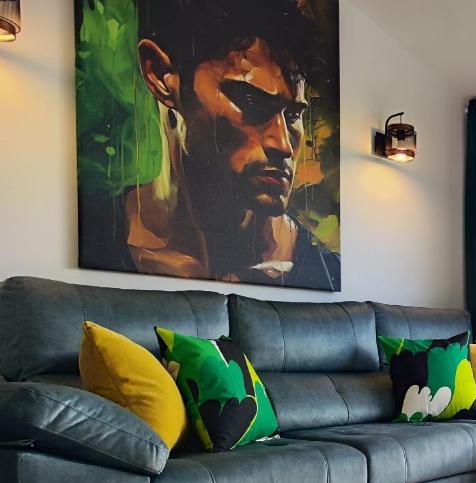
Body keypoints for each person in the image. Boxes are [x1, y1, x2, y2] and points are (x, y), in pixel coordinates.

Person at [78, 0, 340, 291]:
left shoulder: (327, 273)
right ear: (161, 77)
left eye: (293, 115)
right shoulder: (97, 236)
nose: (283, 145)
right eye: (251, 100)